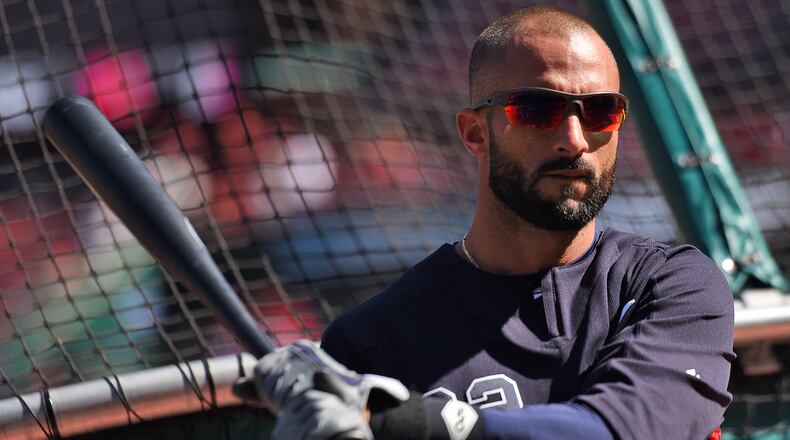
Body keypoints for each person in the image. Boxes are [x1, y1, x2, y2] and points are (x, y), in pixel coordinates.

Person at [234, 6, 734, 440]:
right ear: (475, 132)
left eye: (601, 111)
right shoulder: (370, 343)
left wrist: (407, 423)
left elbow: (622, 431)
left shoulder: (672, 286)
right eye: (539, 109)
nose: (575, 140)